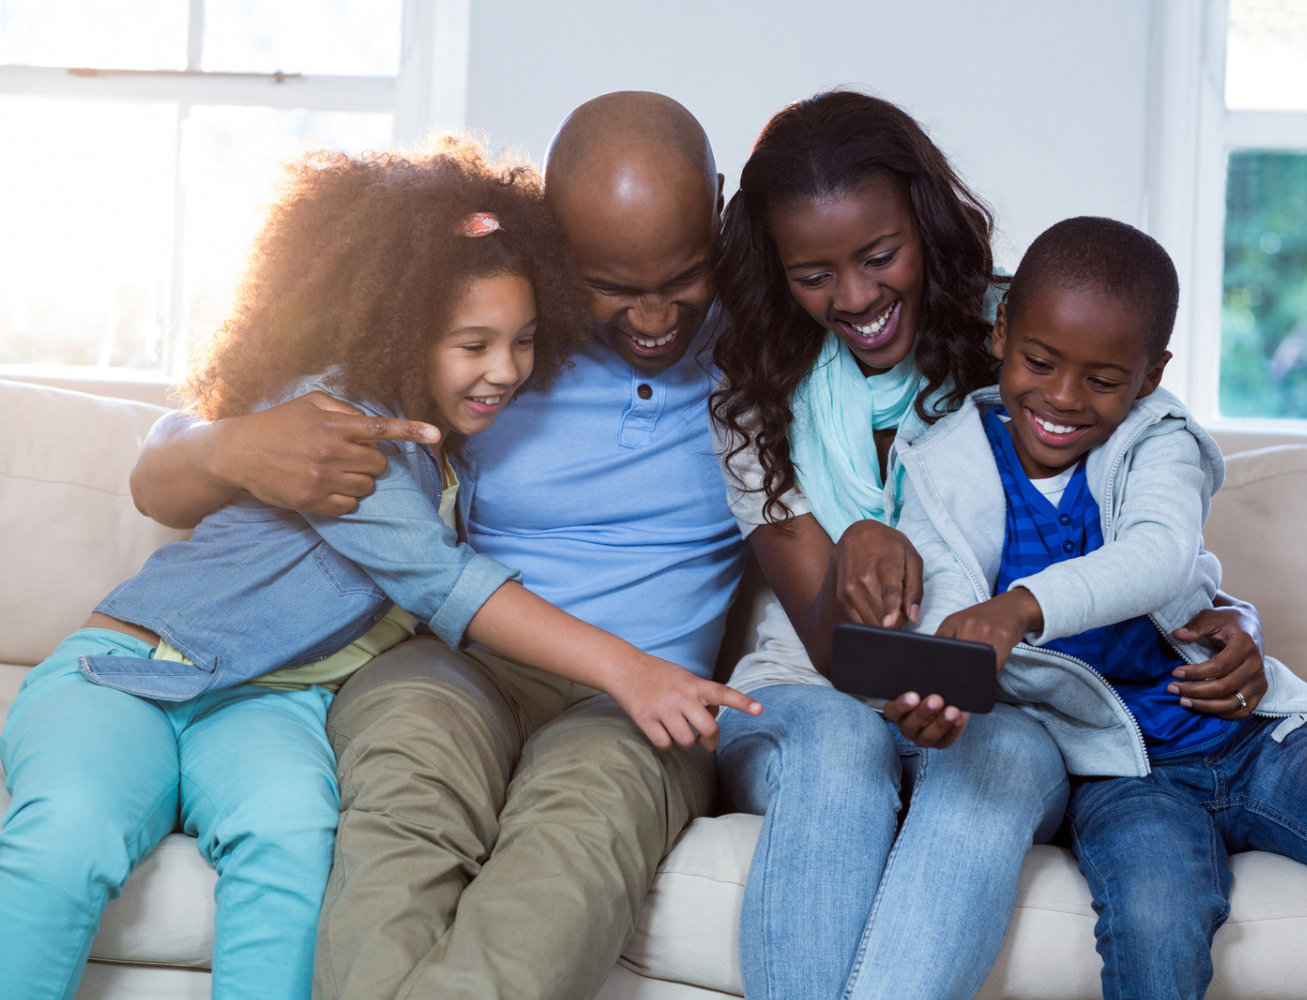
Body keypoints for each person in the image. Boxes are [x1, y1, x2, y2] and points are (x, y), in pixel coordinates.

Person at [0, 139, 757, 1000]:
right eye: (474, 344)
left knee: (294, 843)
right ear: (401, 329)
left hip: (269, 702)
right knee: (71, 832)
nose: (506, 371)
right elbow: (441, 579)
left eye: (523, 344)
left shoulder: (449, 443)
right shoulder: (346, 433)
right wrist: (632, 669)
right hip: (131, 671)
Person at [707, 91, 1264, 1000]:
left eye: (880, 256)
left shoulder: (1025, 340)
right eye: (813, 273)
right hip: (814, 692)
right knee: (844, 751)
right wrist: (857, 545)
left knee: (1001, 757)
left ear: (924, 223)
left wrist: (1229, 607)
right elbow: (833, 652)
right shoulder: (749, 398)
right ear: (775, 267)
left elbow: (1138, 505)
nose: (854, 298)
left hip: (1000, 703)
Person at [899, 215, 1307, 1000]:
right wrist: (945, 687)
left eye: (1104, 380)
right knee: (1154, 933)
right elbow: (949, 614)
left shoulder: (1162, 440)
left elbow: (1158, 556)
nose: (1062, 397)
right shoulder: (943, 464)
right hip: (1121, 776)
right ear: (1002, 330)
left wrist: (1020, 608)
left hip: (1256, 740)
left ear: (1150, 376)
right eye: (1040, 362)